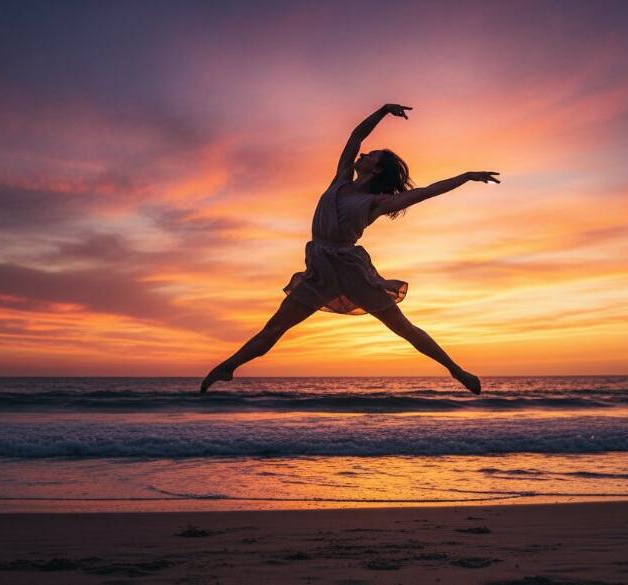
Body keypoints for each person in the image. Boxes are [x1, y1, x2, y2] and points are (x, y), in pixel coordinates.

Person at [201, 103, 499, 394]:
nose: (365, 154)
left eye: (372, 155)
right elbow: (356, 137)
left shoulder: (377, 202)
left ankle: (456, 370)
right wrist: (383, 111)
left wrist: (466, 176)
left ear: (377, 168)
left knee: (402, 328)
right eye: (368, 152)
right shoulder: (340, 180)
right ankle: (227, 367)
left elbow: (425, 193)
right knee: (273, 330)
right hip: (320, 269)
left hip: (349, 269)